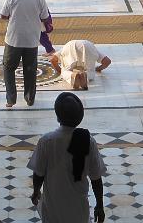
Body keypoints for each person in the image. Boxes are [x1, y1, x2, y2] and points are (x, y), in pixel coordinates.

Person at [28, 93, 106, 223]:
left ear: (58, 116)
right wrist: (99, 205)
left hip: (53, 210)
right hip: (79, 212)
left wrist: (36, 191)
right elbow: (96, 178)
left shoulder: (47, 141)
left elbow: (39, 174)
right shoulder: (88, 141)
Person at [0, 0, 51, 108]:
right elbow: (45, 17)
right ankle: (29, 99)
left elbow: (3, 15)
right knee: (30, 69)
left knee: (8, 68)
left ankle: (11, 99)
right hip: (31, 39)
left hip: (13, 39)